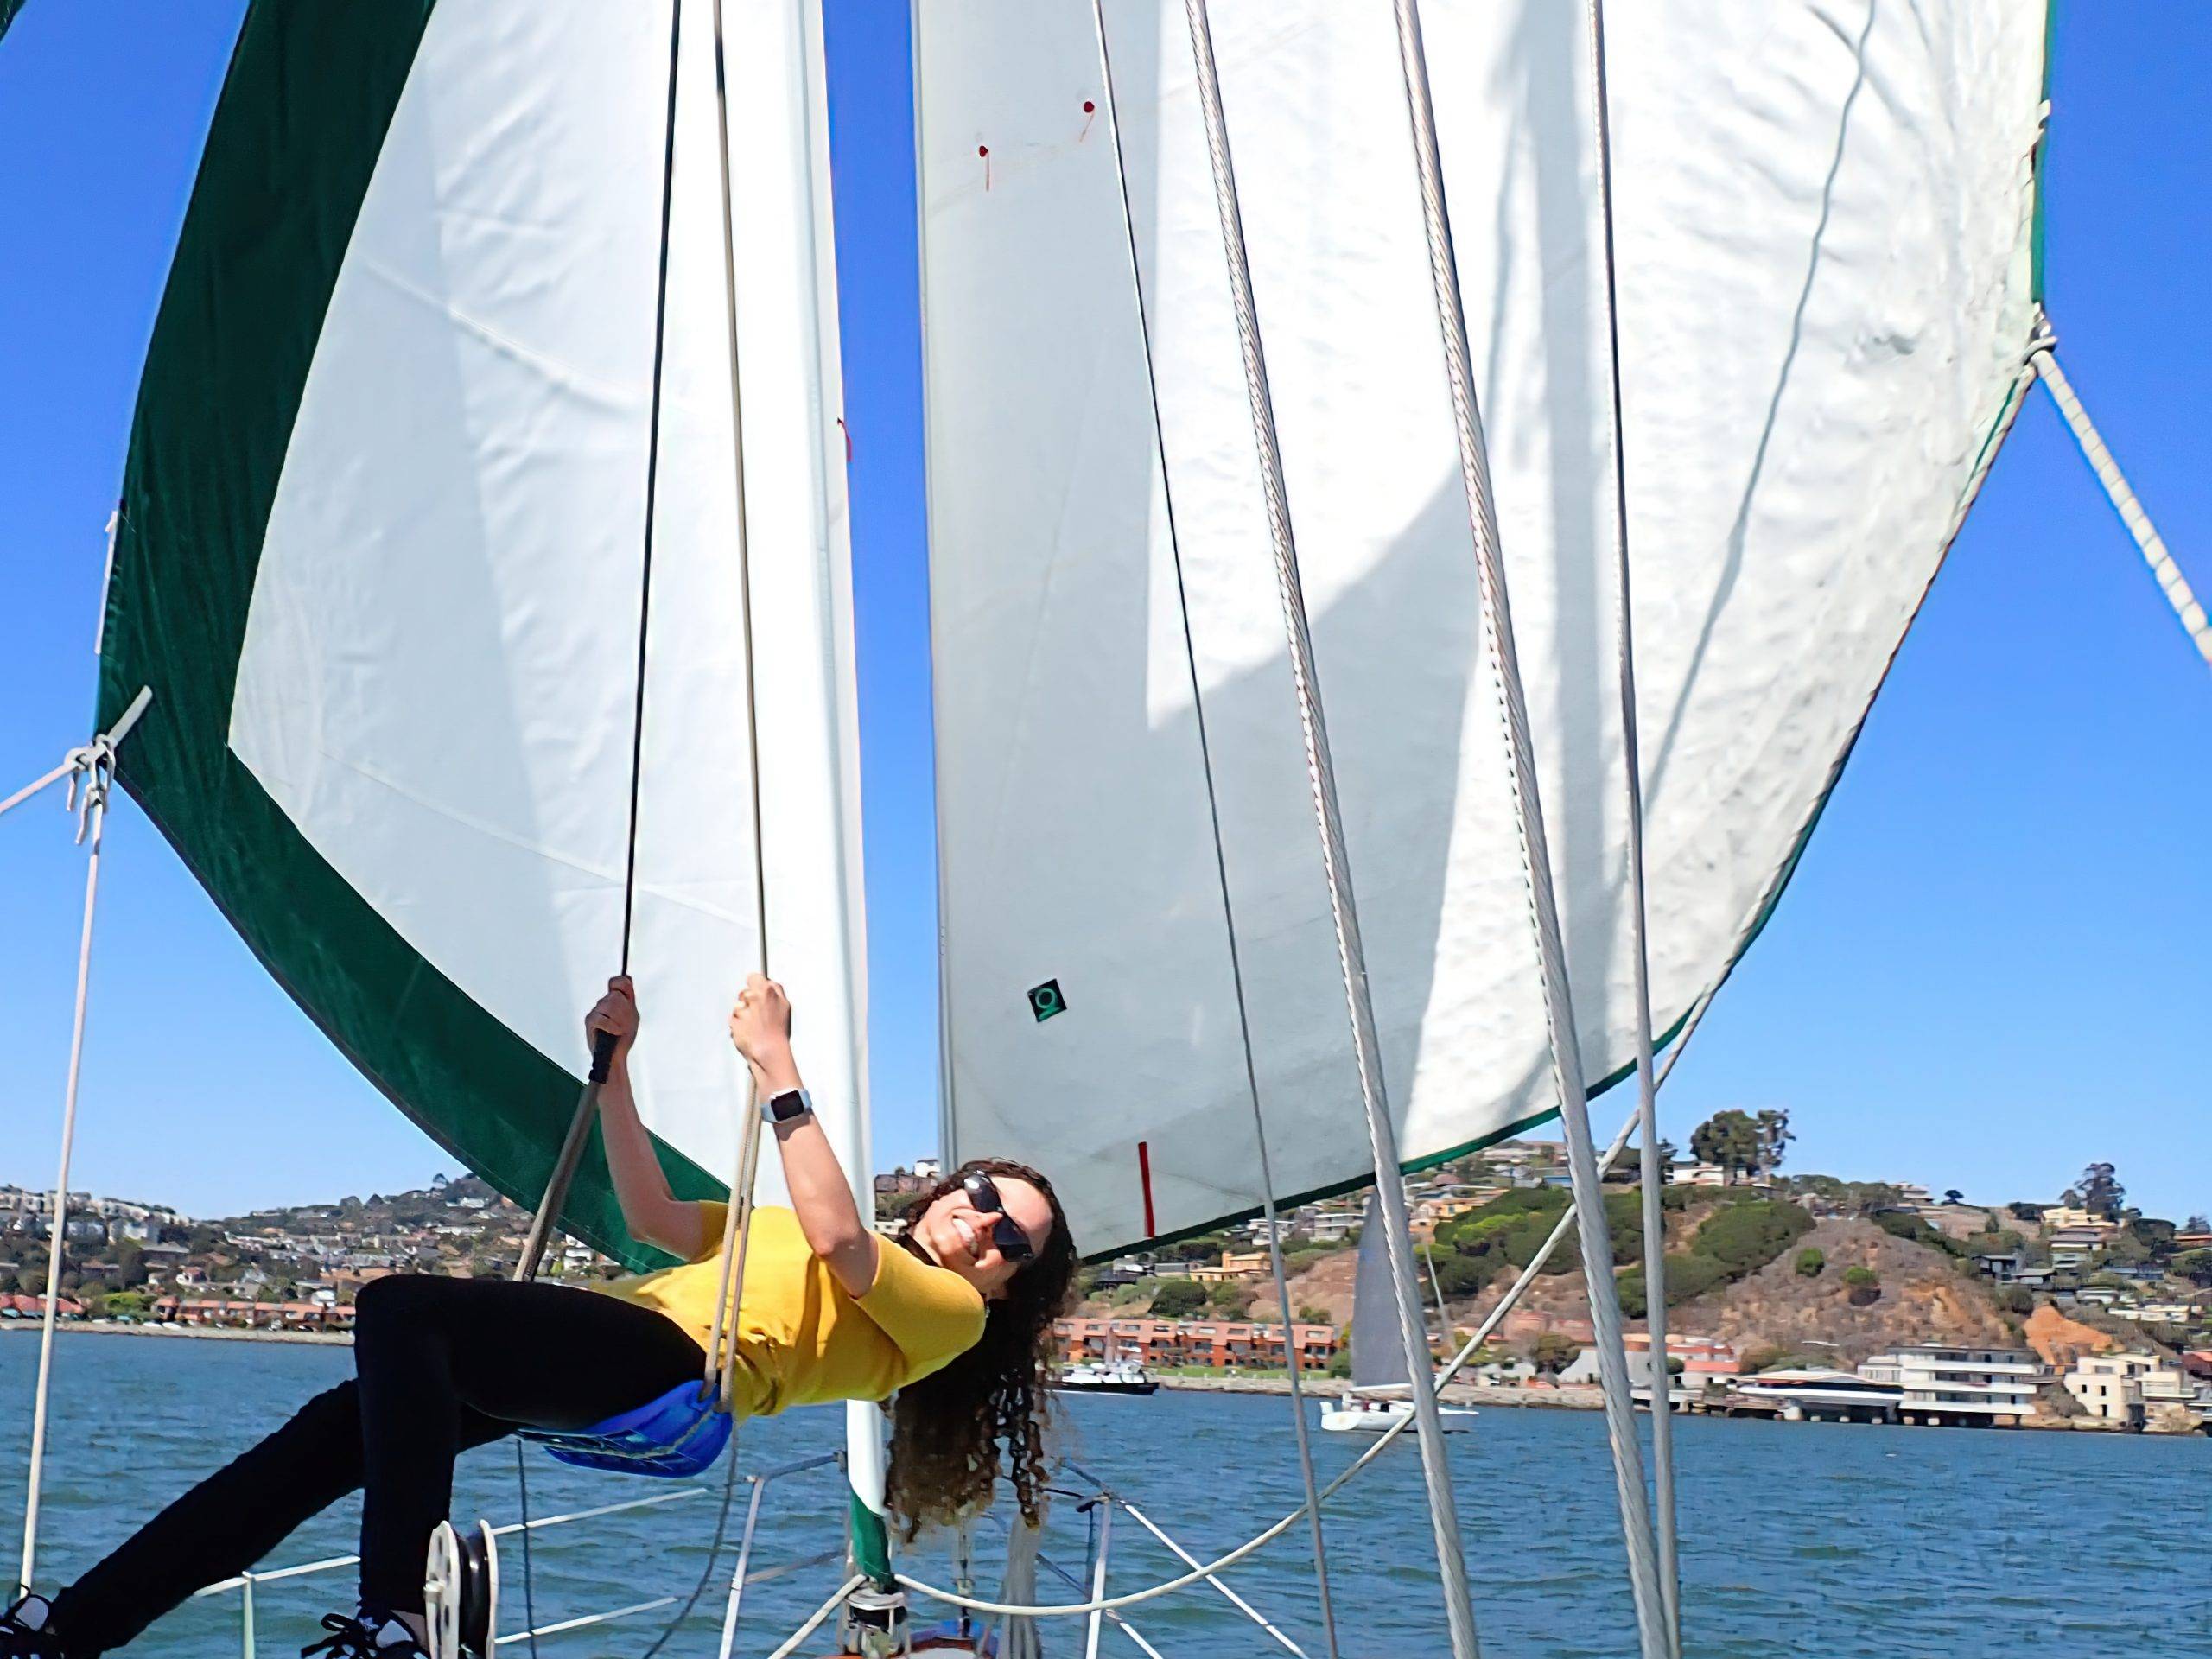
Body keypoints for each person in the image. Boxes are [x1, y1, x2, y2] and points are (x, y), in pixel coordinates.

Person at [1, 975, 1076, 1658]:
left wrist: (777, 1066)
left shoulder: (952, 1315)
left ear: (1009, 1283)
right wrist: (616, 1073)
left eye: (1012, 1241)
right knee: (321, 1442)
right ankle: (73, 1626)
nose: (985, 1224)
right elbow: (653, 1216)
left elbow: (842, 1241)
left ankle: (397, 1616)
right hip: (608, 1346)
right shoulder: (793, 1223)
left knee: (400, 1309)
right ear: (951, 1187)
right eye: (983, 1195)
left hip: (673, 1367)